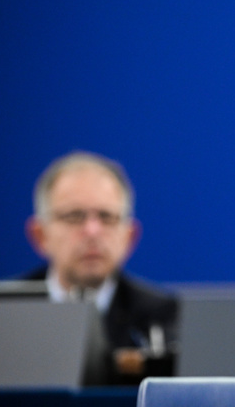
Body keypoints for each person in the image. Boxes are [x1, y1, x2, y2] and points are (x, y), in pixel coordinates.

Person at [24, 151, 179, 385]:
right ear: (40, 235)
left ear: (130, 237)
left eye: (106, 217)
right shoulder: (0, 314)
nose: (93, 232)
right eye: (75, 216)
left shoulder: (166, 318)